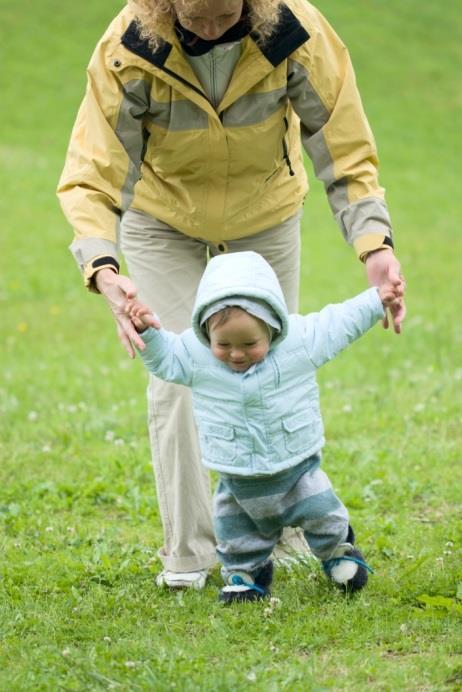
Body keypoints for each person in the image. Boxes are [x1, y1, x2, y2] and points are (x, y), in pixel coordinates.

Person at [57, 0, 406, 589]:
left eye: (226, 18)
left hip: (262, 213)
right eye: (198, 20)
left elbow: (342, 141)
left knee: (277, 365)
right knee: (176, 377)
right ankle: (190, 555)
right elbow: (94, 167)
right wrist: (103, 266)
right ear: (166, 6)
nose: (213, 31)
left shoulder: (295, 30)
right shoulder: (130, 44)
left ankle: (287, 529)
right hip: (162, 215)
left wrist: (374, 244)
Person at [128, 250, 400, 602]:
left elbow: (339, 322)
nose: (236, 354)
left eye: (249, 344)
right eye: (223, 344)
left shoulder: (299, 342)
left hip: (298, 469)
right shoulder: (195, 356)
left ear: (271, 328)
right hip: (237, 478)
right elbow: (166, 358)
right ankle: (245, 574)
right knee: (235, 532)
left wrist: (376, 300)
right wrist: (146, 333)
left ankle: (338, 553)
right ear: (206, 331)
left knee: (323, 514)